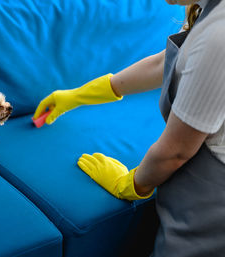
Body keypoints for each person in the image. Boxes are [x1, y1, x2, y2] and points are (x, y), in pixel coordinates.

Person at [33, 0, 225, 256]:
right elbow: (165, 62)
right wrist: (78, 95)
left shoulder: (218, 36)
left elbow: (175, 151)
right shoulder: (210, 12)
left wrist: (132, 184)